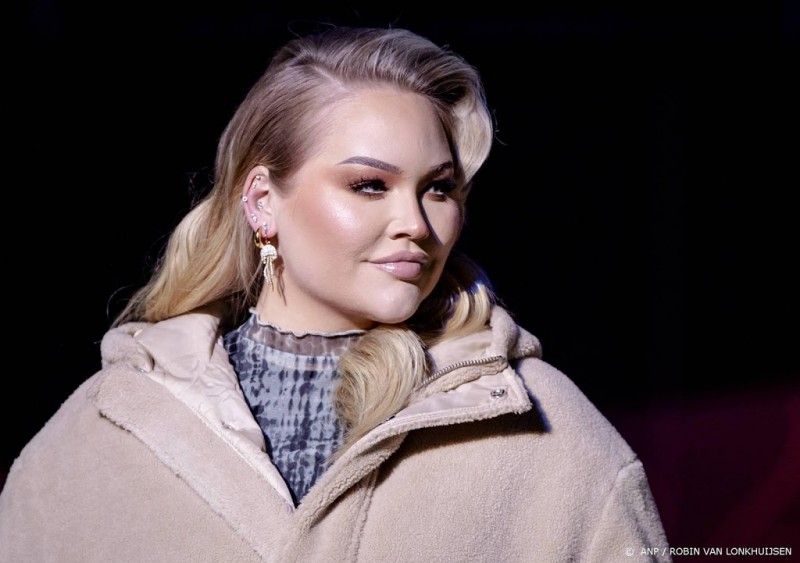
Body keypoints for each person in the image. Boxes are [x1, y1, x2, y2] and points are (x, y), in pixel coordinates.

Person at [0, 25, 671, 562]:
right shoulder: (91, 445)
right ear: (262, 202)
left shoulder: (547, 432)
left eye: (438, 188)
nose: (417, 223)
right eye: (369, 185)